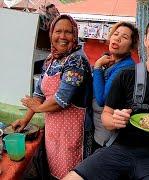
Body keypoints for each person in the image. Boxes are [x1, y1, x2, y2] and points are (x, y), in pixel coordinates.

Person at [63, 16, 149, 180]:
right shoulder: (125, 76)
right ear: (145, 41)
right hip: (119, 150)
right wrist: (114, 120)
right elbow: (106, 116)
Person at [11, 15, 93, 179]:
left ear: (75, 35)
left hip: (73, 130)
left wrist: (39, 108)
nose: (62, 37)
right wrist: (25, 119)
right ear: (51, 34)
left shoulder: (77, 60)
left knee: (71, 174)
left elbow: (62, 100)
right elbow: (39, 94)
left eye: (68, 32)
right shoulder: (51, 60)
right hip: (54, 128)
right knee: (55, 171)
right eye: (58, 31)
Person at [92, 21, 139, 150]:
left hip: (109, 135)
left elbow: (102, 99)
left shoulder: (125, 69)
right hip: (100, 129)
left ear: (131, 47)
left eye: (124, 37)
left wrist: (97, 67)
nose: (117, 38)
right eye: (116, 34)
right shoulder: (113, 63)